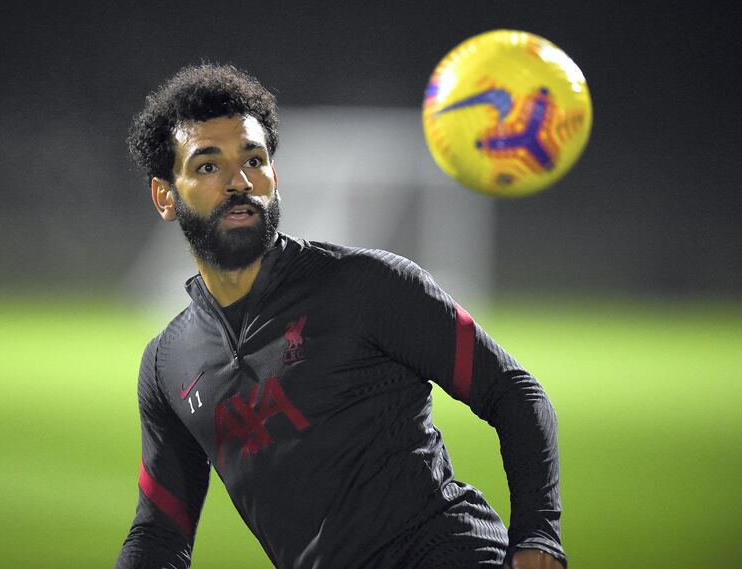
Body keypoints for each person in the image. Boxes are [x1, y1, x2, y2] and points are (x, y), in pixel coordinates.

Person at [115, 62, 567, 569]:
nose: (239, 181)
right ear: (164, 196)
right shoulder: (168, 364)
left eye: (254, 160)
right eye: (207, 166)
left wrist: (538, 536)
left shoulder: (366, 285)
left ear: (275, 176)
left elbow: (512, 390)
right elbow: (160, 532)